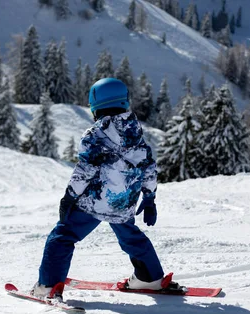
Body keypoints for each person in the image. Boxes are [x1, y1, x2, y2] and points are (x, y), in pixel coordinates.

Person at [31, 78, 179, 300]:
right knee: (130, 236)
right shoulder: (136, 134)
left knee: (63, 236)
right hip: (124, 201)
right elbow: (148, 166)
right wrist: (149, 197)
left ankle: (48, 286)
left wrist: (69, 197)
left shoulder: (95, 135)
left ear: (95, 106)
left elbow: (85, 170)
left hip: (95, 201)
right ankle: (151, 278)